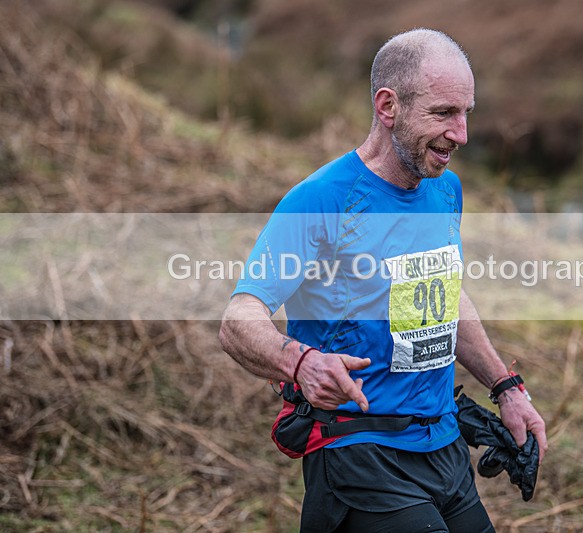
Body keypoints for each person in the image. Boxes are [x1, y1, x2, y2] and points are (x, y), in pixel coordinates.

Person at [219, 28, 548, 532]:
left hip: (443, 446)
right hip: (358, 452)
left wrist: (505, 387)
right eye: (443, 114)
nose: (461, 135)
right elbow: (239, 318)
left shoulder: (445, 190)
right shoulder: (322, 199)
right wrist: (300, 362)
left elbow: (442, 296)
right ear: (388, 106)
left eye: (466, 114)